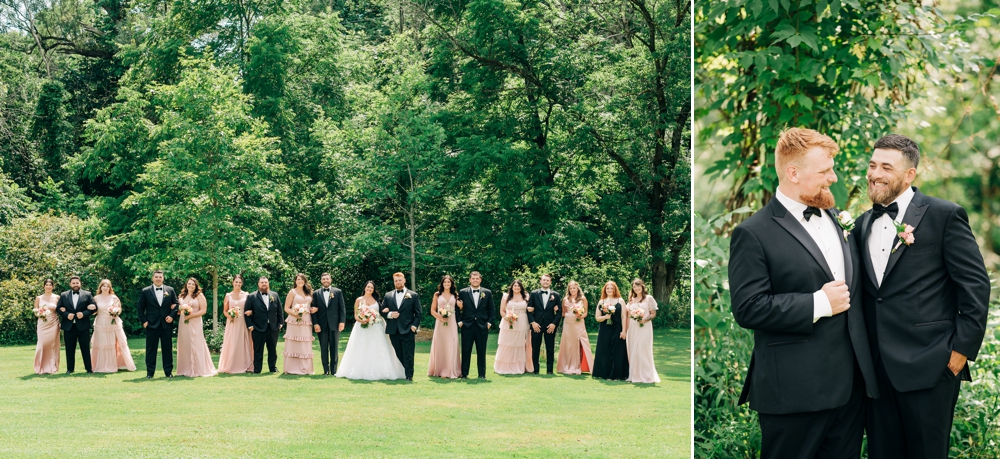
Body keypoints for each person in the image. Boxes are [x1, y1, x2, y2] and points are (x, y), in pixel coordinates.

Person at [728, 128, 879, 458]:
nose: (833, 177)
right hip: (794, 394)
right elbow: (748, 308)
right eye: (825, 171)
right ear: (793, 173)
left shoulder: (841, 221)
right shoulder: (753, 233)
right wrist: (819, 302)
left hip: (850, 394)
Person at [855, 134, 990, 459]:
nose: (875, 173)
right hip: (876, 373)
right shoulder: (860, 224)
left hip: (931, 367)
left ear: (910, 174)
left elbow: (975, 286)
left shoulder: (944, 215)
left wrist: (960, 352)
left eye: (886, 167)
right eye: (872, 165)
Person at [335, 281, 406, 380]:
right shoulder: (358, 300)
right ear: (365, 287)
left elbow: (381, 311)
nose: (369, 289)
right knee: (361, 347)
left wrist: (386, 310)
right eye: (368, 287)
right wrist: (361, 319)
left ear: (374, 290)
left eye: (371, 288)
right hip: (362, 327)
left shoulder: (377, 299)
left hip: (376, 326)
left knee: (379, 347)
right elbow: (356, 314)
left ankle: (381, 370)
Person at [136, 270, 180, 378]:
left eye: (160, 277)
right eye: (156, 277)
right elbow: (140, 308)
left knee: (167, 349)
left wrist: (172, 315)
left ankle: (168, 372)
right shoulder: (145, 291)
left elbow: (177, 304)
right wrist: (144, 321)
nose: (158, 278)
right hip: (151, 325)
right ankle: (150, 373)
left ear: (163, 278)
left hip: (166, 325)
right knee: (151, 349)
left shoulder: (170, 290)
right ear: (152, 278)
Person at [380, 272, 422, 381]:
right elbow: (382, 311)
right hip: (393, 330)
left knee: (408, 353)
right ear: (394, 282)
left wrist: (414, 326)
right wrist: (390, 314)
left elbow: (418, 313)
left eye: (400, 280)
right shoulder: (388, 295)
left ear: (404, 280)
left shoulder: (413, 295)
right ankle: (402, 372)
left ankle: (409, 375)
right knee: (398, 353)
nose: (398, 282)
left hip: (408, 329)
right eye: (396, 280)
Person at [90, 279, 136, 373]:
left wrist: (116, 312)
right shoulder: (96, 298)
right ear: (100, 287)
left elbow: (119, 309)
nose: (105, 288)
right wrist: (90, 309)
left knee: (115, 343)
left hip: (113, 322)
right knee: (102, 343)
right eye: (104, 286)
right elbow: (94, 311)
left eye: (107, 286)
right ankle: (102, 365)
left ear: (110, 288)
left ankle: (118, 364)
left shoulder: (114, 297)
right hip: (101, 322)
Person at [455, 272, 494, 379]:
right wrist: (459, 322)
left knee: (481, 351)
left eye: (477, 278)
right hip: (467, 325)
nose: (475, 280)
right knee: (466, 350)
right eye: (473, 278)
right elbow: (457, 308)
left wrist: (489, 323)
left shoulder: (487, 292)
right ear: (470, 280)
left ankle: (482, 374)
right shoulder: (463, 292)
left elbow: (491, 309)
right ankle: (464, 374)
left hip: (482, 326)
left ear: (480, 280)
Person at [175, 277, 216, 377]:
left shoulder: (199, 295)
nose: (191, 286)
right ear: (186, 284)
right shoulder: (182, 296)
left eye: (193, 284)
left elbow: (203, 310)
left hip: (195, 321)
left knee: (197, 343)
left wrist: (191, 315)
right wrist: (180, 311)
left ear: (196, 286)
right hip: (184, 322)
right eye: (189, 284)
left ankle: (199, 369)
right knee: (185, 343)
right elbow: (178, 310)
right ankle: (185, 369)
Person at [57, 276, 96, 374]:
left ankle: (88, 369)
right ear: (70, 284)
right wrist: (66, 315)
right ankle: (70, 369)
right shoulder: (63, 295)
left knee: (85, 348)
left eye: (77, 283)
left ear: (80, 283)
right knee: (69, 349)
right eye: (73, 283)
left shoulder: (87, 294)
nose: (75, 285)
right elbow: (58, 308)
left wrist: (84, 314)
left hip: (83, 326)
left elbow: (94, 308)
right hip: (69, 327)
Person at [493, 280, 533, 375]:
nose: (517, 287)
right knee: (507, 344)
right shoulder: (506, 297)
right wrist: (507, 318)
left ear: (521, 287)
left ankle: (519, 366)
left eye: (518, 286)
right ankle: (504, 367)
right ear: (512, 287)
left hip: (523, 322)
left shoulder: (526, 296)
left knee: (520, 344)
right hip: (508, 323)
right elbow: (502, 311)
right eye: (515, 286)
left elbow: (530, 308)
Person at [244, 276, 283, 374]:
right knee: (258, 350)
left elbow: (280, 311)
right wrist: (250, 326)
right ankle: (257, 370)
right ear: (258, 284)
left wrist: (281, 323)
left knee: (272, 349)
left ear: (268, 283)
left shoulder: (275, 295)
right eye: (262, 282)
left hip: (273, 327)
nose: (264, 284)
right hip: (257, 328)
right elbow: (246, 312)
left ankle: (272, 367)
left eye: (265, 282)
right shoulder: (251, 296)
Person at [592, 281, 628, 380]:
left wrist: (624, 331)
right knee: (604, 351)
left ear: (615, 289)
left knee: (618, 351)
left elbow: (624, 317)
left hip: (617, 329)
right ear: (605, 290)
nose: (609, 290)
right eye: (608, 288)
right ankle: (604, 373)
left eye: (612, 288)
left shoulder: (620, 301)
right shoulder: (601, 302)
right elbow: (597, 318)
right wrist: (606, 316)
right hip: (605, 330)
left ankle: (617, 375)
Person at [218, 274, 254, 374]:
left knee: (244, 342)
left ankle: (246, 364)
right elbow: (225, 311)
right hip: (232, 322)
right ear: (233, 282)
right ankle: (232, 365)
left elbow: (250, 308)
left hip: (243, 321)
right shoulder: (228, 296)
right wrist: (229, 316)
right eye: (236, 282)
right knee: (233, 342)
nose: (238, 284)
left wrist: (250, 311)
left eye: (239, 282)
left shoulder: (246, 295)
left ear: (242, 283)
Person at [624, 279, 659, 384]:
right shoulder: (631, 300)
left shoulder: (649, 298)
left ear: (642, 286)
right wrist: (625, 330)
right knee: (633, 349)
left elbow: (653, 314)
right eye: (634, 287)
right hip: (632, 327)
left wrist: (644, 320)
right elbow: (627, 315)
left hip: (644, 326)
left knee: (643, 350)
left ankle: (646, 375)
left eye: (638, 286)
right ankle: (633, 374)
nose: (636, 288)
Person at [427, 275, 461, 379]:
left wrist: (461, 306)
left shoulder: (455, 295)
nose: (447, 284)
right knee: (440, 344)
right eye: (445, 282)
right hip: (440, 323)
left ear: (452, 284)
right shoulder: (437, 295)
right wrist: (440, 317)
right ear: (442, 283)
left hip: (451, 322)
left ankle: (451, 370)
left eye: (449, 282)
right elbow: (432, 310)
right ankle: (439, 370)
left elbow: (460, 309)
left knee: (452, 343)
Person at [282, 273, 317, 375]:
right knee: (294, 343)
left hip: (306, 321)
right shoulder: (292, 292)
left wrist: (316, 309)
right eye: (298, 279)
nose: (300, 281)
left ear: (305, 281)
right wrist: (296, 314)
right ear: (295, 281)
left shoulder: (310, 292)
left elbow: (314, 306)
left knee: (305, 343)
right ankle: (291, 368)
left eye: (302, 279)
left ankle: (305, 368)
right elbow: (286, 308)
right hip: (294, 321)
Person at [557, 281, 594, 375]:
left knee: (579, 342)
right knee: (568, 343)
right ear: (568, 289)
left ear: (577, 288)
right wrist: (556, 310)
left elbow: (585, 313)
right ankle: (567, 365)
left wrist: (580, 315)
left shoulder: (582, 299)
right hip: (568, 324)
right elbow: (563, 313)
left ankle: (578, 366)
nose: (572, 290)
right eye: (571, 288)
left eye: (574, 288)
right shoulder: (565, 299)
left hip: (578, 323)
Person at [312, 273, 346, 375]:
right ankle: (326, 370)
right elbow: (313, 310)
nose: (325, 280)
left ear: (330, 280)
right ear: (321, 281)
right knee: (323, 348)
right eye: (323, 279)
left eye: (327, 278)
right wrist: (315, 324)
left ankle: (334, 370)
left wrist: (342, 322)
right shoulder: (316, 293)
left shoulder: (338, 292)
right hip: (321, 325)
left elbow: (342, 308)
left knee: (334, 347)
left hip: (334, 324)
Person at [526, 274, 561, 374]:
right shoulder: (534, 293)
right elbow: (529, 310)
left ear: (550, 282)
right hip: (536, 325)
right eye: (544, 280)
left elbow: (559, 311)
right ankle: (535, 370)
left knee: (550, 348)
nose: (546, 282)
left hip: (550, 326)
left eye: (548, 280)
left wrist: (554, 324)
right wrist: (533, 323)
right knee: (535, 348)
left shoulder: (556, 295)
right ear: (540, 281)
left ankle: (550, 371)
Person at [33, 279, 60, 374]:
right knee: (41, 344)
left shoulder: (57, 297)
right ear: (44, 286)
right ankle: (40, 367)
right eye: (46, 285)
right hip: (42, 324)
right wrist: (40, 313)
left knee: (52, 345)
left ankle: (52, 367)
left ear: (53, 286)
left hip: (53, 323)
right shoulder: (39, 298)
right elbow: (35, 311)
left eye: (50, 285)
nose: (48, 286)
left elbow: (60, 310)